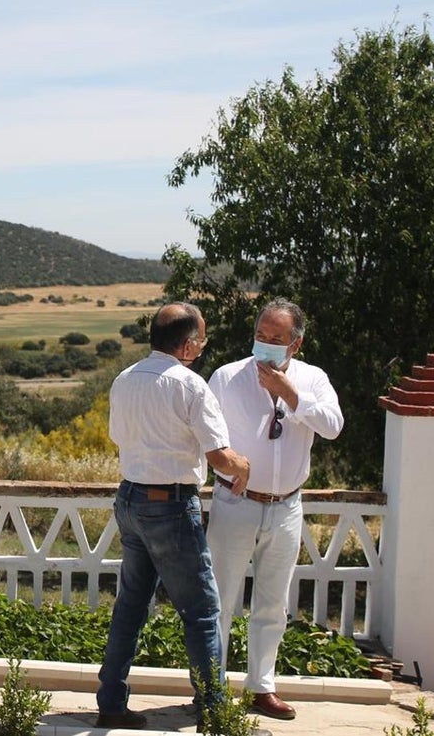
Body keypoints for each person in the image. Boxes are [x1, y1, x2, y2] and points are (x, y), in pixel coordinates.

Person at [96, 302, 252, 730]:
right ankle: (214, 709)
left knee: (130, 606)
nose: (201, 348)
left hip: (130, 500)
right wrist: (242, 467)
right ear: (187, 345)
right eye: (200, 341)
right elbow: (219, 457)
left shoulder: (124, 379)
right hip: (171, 505)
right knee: (202, 612)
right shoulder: (190, 385)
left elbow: (118, 436)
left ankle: (111, 700)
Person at [207, 298, 343, 721]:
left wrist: (292, 396)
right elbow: (204, 434)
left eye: (276, 339)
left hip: (286, 506)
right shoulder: (227, 377)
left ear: (296, 343)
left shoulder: (313, 379)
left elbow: (333, 427)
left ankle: (260, 688)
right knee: (220, 601)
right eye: (260, 336)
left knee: (272, 604)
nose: (265, 345)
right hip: (235, 502)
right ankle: (211, 688)